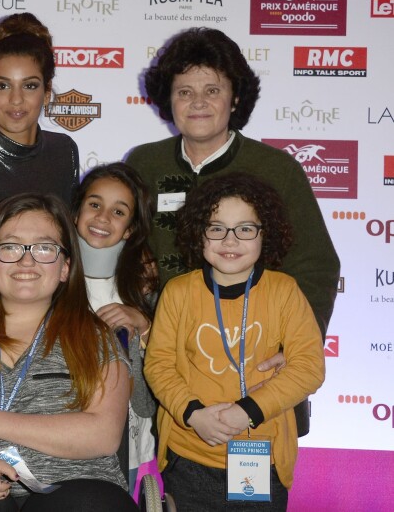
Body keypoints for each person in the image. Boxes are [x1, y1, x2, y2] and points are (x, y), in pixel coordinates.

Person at [125, 27, 339, 435]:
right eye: (184, 91)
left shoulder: (276, 169)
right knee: (181, 483)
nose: (198, 102)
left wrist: (294, 350)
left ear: (235, 97)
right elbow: (123, 251)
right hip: (171, 365)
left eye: (212, 89)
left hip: (256, 364)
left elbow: (316, 265)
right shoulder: (144, 165)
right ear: (168, 99)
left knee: (253, 491)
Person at [0, 194, 138, 511]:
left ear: (64, 268)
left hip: (78, 485)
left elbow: (104, 434)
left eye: (44, 248)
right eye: (10, 247)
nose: (26, 260)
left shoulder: (97, 340)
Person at [144, 173, 325, 511]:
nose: (230, 241)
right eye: (216, 228)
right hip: (189, 456)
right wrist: (193, 414)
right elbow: (158, 365)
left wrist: (248, 411)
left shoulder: (283, 291)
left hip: (262, 457)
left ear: (264, 234)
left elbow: (308, 367)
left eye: (245, 229)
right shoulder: (179, 292)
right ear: (199, 234)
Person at [0, 13, 79, 407]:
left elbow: (68, 250)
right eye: (3, 86)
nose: (17, 101)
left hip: (63, 325)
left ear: (48, 91)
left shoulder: (64, 151)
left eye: (30, 86)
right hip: (2, 335)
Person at [71, 162, 158, 495]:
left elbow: (167, 362)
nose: (103, 217)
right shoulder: (44, 276)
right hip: (57, 422)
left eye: (118, 212)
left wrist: (145, 325)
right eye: (94, 205)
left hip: (125, 433)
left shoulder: (143, 287)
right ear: (76, 210)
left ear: (131, 229)